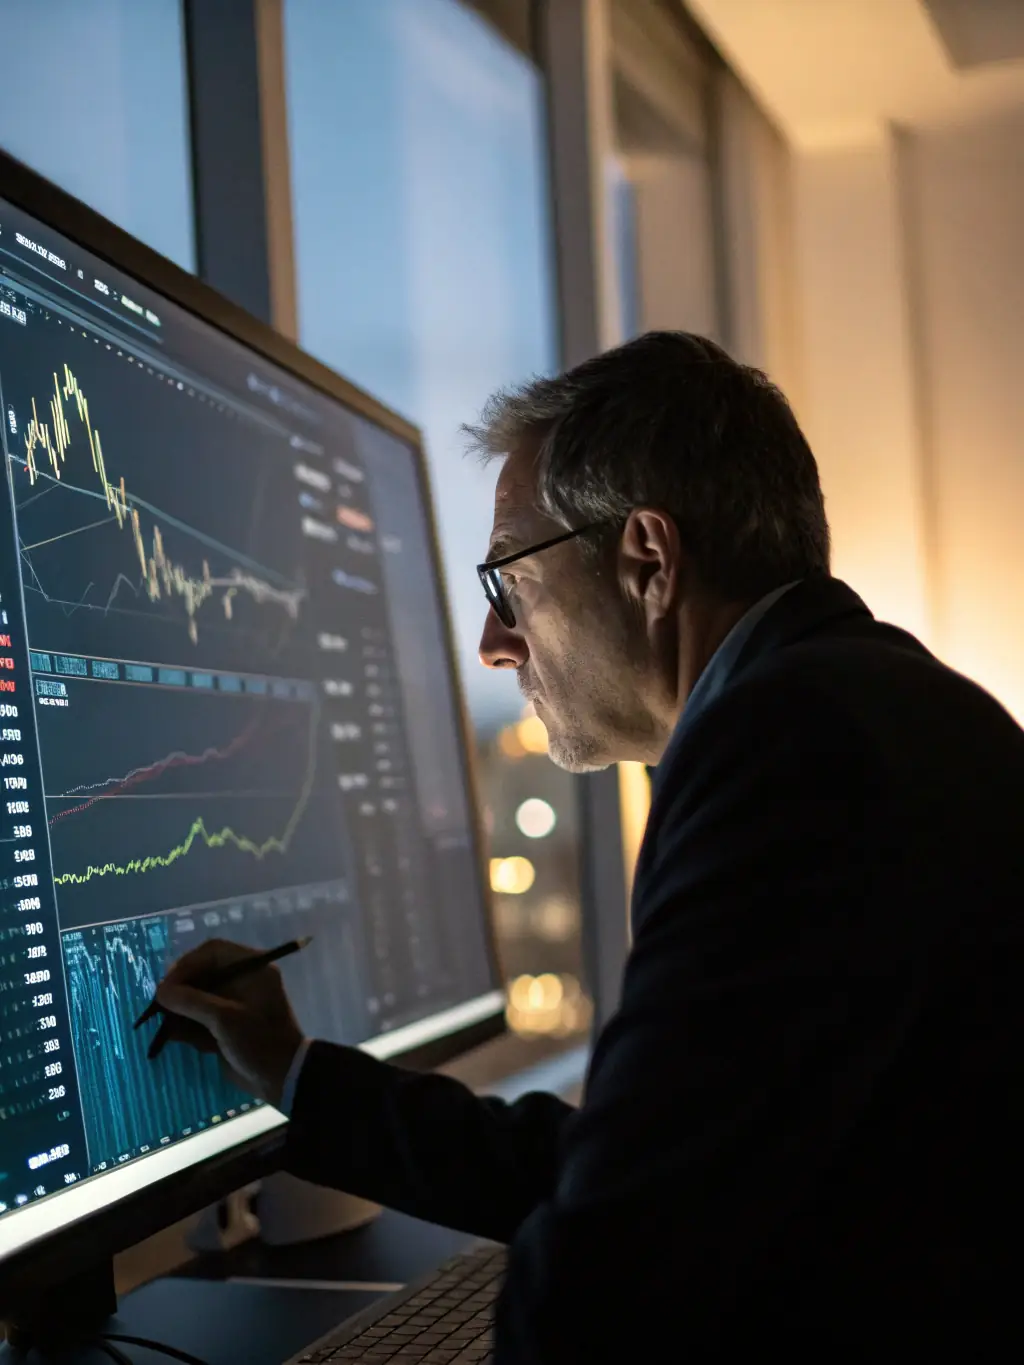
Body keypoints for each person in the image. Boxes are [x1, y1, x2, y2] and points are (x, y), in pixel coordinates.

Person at [156, 332, 1024, 1361]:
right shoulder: (875, 702)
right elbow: (644, 1165)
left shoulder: (785, 746)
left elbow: (609, 1277)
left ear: (647, 562)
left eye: (507, 582)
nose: (493, 644)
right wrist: (298, 1074)